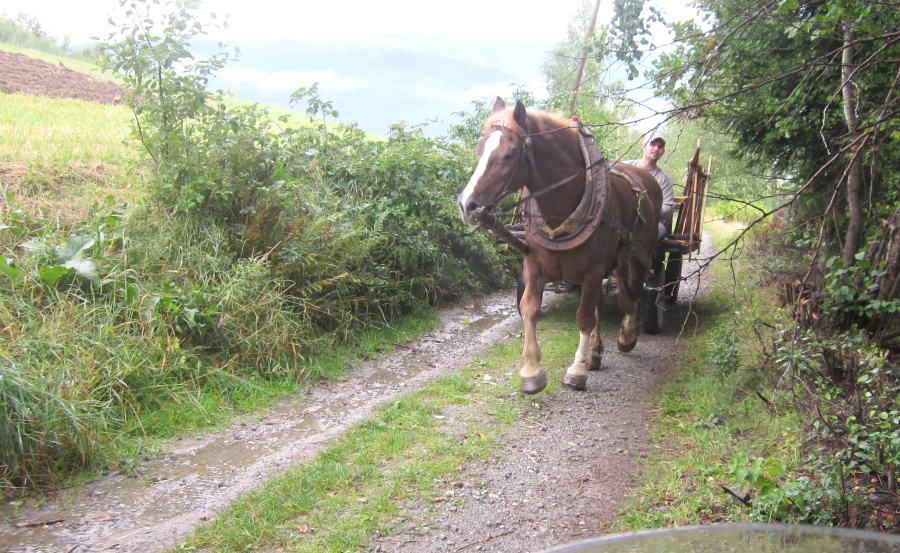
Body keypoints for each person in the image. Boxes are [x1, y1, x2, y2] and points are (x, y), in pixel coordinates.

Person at [623, 136, 674, 237]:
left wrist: (645, 208)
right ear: (643, 147)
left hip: (649, 224)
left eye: (660, 146)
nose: (656, 149)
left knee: (657, 231)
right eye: (653, 144)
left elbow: (668, 207)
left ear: (663, 152)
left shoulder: (663, 179)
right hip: (622, 218)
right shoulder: (624, 167)